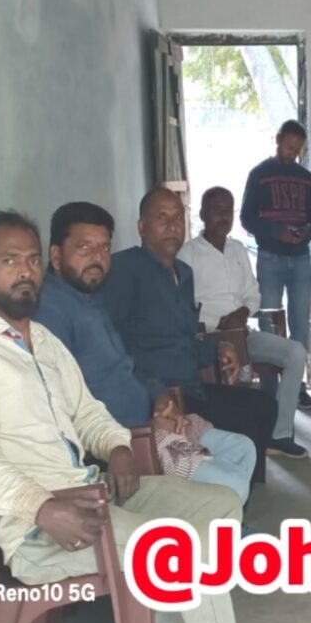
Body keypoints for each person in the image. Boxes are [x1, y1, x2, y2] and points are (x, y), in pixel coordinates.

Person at [0, 211, 241, 623]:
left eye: (32, 259)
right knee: (180, 546)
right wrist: (43, 509)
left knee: (222, 505)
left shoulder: (44, 341)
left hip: (93, 494)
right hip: (40, 532)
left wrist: (118, 448)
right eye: (9, 260)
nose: (24, 270)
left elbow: (87, 410)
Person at [35, 201, 258, 502]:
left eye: (104, 248)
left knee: (243, 449)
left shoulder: (91, 302)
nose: (97, 258)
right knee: (232, 486)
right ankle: (217, 521)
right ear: (56, 255)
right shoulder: (50, 313)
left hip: (155, 416)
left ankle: (221, 523)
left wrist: (159, 397)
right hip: (128, 439)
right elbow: (71, 404)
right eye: (84, 247)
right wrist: (145, 427)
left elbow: (127, 365)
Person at [101, 187, 282, 476]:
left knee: (265, 406)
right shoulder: (126, 269)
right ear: (142, 228)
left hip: (191, 386)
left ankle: (236, 490)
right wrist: (153, 390)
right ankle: (226, 490)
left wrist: (218, 349)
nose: (172, 226)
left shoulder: (183, 274)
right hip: (161, 394)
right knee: (246, 421)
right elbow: (112, 346)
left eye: (177, 218)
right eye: (162, 218)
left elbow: (186, 341)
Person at [180, 186, 311, 457]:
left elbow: (254, 294)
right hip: (207, 338)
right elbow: (182, 306)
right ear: (202, 214)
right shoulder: (188, 253)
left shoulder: (238, 249)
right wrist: (218, 321)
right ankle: (226, 439)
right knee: (234, 383)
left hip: (243, 333)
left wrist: (242, 313)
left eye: (228, 210)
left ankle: (279, 435)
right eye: (216, 209)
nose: (223, 216)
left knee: (296, 352)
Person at [239, 119, 311, 410]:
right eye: (289, 146)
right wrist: (277, 232)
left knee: (300, 324)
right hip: (270, 258)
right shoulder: (259, 174)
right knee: (269, 324)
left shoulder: (305, 178)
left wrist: (306, 232)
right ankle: (269, 392)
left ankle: (296, 388)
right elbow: (246, 218)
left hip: (301, 258)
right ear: (277, 140)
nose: (292, 153)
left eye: (298, 149)